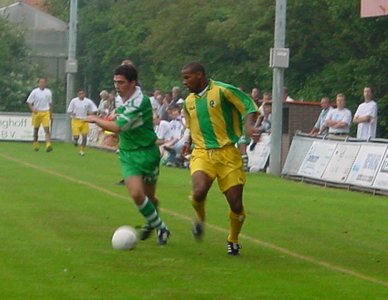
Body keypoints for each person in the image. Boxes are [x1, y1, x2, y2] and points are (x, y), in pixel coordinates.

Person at [85, 64, 170, 245]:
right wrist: (113, 115)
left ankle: (152, 221)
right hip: (128, 154)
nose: (117, 86)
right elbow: (119, 118)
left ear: (133, 83)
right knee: (137, 195)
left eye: (121, 82)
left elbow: (117, 127)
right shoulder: (120, 98)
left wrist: (96, 120)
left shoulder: (141, 102)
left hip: (148, 153)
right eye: (115, 82)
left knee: (150, 198)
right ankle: (161, 227)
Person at [180, 62, 259, 255]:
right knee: (199, 191)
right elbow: (190, 125)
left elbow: (249, 106)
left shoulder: (223, 91)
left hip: (228, 154)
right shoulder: (188, 101)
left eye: (187, 77)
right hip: (202, 153)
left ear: (199, 75)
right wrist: (186, 141)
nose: (184, 82)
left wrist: (249, 127)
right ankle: (200, 218)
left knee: (236, 205)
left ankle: (233, 239)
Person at [67, 89, 98, 156]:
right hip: (76, 120)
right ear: (78, 94)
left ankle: (82, 150)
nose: (81, 95)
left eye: (83, 94)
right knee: (76, 136)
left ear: (84, 94)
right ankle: (76, 140)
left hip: (84, 120)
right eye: (80, 94)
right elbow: (69, 110)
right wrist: (73, 113)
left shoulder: (88, 101)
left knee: (84, 136)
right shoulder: (74, 101)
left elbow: (95, 109)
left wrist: (91, 113)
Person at [26, 77, 53, 152]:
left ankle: (48, 144)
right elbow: (29, 102)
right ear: (38, 83)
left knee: (47, 129)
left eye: (43, 82)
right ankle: (36, 143)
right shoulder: (35, 92)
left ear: (45, 83)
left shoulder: (48, 92)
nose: (42, 84)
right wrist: (32, 109)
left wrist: (50, 113)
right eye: (41, 82)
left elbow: (50, 103)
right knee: (36, 130)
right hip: (37, 112)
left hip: (45, 112)